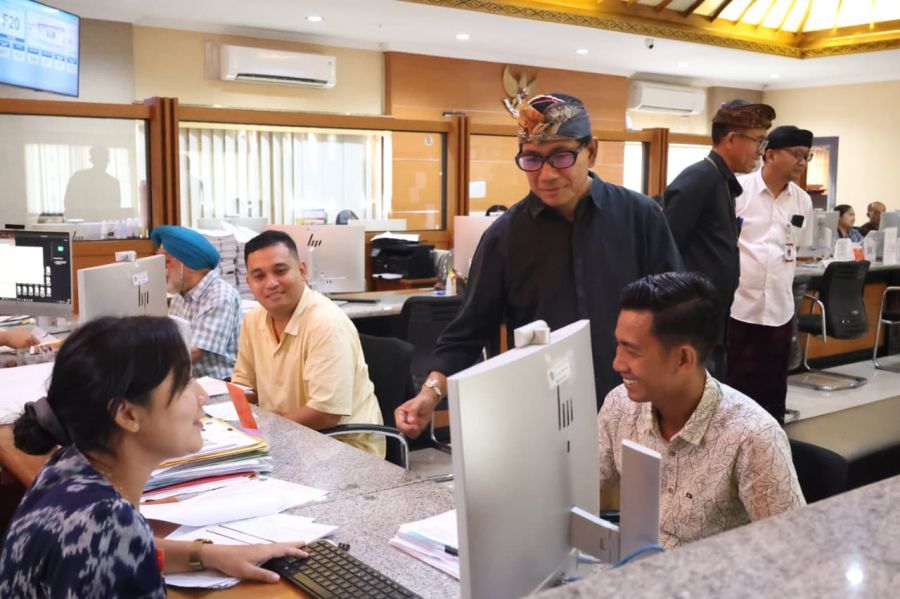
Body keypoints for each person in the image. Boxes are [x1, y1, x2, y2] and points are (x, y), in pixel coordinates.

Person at [395, 93, 682, 438]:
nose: (545, 174)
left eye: (561, 156)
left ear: (592, 150)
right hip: (543, 414)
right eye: (531, 159)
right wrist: (429, 394)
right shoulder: (504, 237)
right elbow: (467, 332)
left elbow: (676, 313)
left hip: (635, 408)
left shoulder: (641, 218)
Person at [0, 316, 306, 597]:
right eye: (184, 381)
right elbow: (112, 540)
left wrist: (208, 555)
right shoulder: (106, 521)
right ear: (127, 414)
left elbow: (126, 547)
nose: (202, 395)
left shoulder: (68, 465)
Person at [598, 272, 805, 549]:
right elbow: (578, 488)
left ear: (683, 359)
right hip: (634, 572)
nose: (617, 363)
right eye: (618, 345)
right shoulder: (620, 406)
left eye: (632, 351)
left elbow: (790, 551)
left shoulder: (752, 436)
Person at [231, 230, 385, 457]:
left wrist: (263, 430)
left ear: (302, 270)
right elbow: (245, 386)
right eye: (259, 276)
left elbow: (325, 413)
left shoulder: (325, 323)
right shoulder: (253, 319)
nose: (271, 283)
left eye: (280, 271)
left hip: (343, 447)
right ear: (249, 283)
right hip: (289, 437)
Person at [663, 99, 776, 379]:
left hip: (713, 311)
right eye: (757, 141)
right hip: (692, 316)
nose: (760, 152)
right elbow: (666, 248)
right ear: (732, 138)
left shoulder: (720, 180)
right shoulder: (699, 179)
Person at [728, 126, 815, 423]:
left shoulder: (802, 201)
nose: (802, 162)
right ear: (771, 154)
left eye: (807, 156)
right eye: (797, 154)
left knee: (774, 387)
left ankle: (773, 447)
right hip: (739, 306)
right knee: (737, 386)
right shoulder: (739, 190)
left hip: (779, 309)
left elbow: (800, 244)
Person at [152, 225, 242, 380]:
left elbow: (194, 352)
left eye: (166, 261)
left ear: (188, 263)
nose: (161, 268)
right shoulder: (180, 295)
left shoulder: (221, 296)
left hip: (220, 386)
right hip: (188, 381)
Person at [64, 146, 127, 222]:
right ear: (92, 160)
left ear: (108, 161)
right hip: (81, 225)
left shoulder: (113, 182)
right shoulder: (78, 177)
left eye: (105, 159)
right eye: (99, 159)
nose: (102, 162)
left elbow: (116, 207)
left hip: (105, 226)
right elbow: (68, 203)